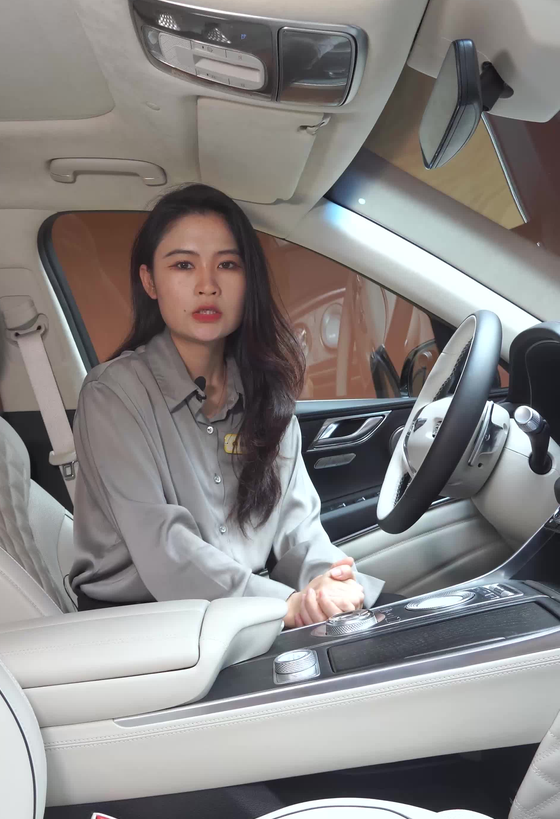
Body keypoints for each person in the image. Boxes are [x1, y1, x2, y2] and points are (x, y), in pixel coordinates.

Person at [70, 184, 384, 627]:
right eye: (183, 265)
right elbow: (166, 549)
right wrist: (286, 605)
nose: (207, 286)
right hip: (148, 626)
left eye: (227, 265)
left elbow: (298, 530)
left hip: (248, 613)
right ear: (150, 281)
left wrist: (326, 583)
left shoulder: (267, 394)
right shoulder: (112, 395)